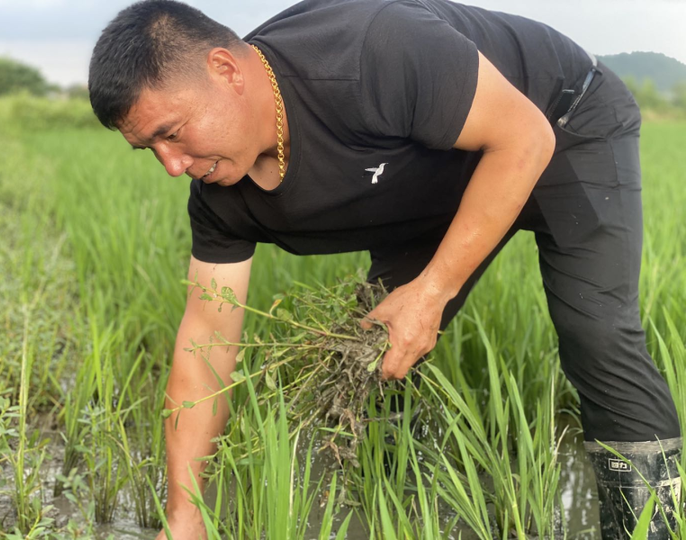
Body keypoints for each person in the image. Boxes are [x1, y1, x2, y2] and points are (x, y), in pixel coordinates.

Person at [88, 0, 682, 538]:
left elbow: (523, 137)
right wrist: (184, 518)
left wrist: (433, 291)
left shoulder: (371, 49)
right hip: (437, 172)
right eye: (151, 150)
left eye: (172, 133)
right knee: (372, 354)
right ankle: (399, 513)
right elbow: (206, 343)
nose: (171, 165)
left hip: (559, 121)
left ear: (225, 69)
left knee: (596, 332)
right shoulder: (220, 194)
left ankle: (653, 527)